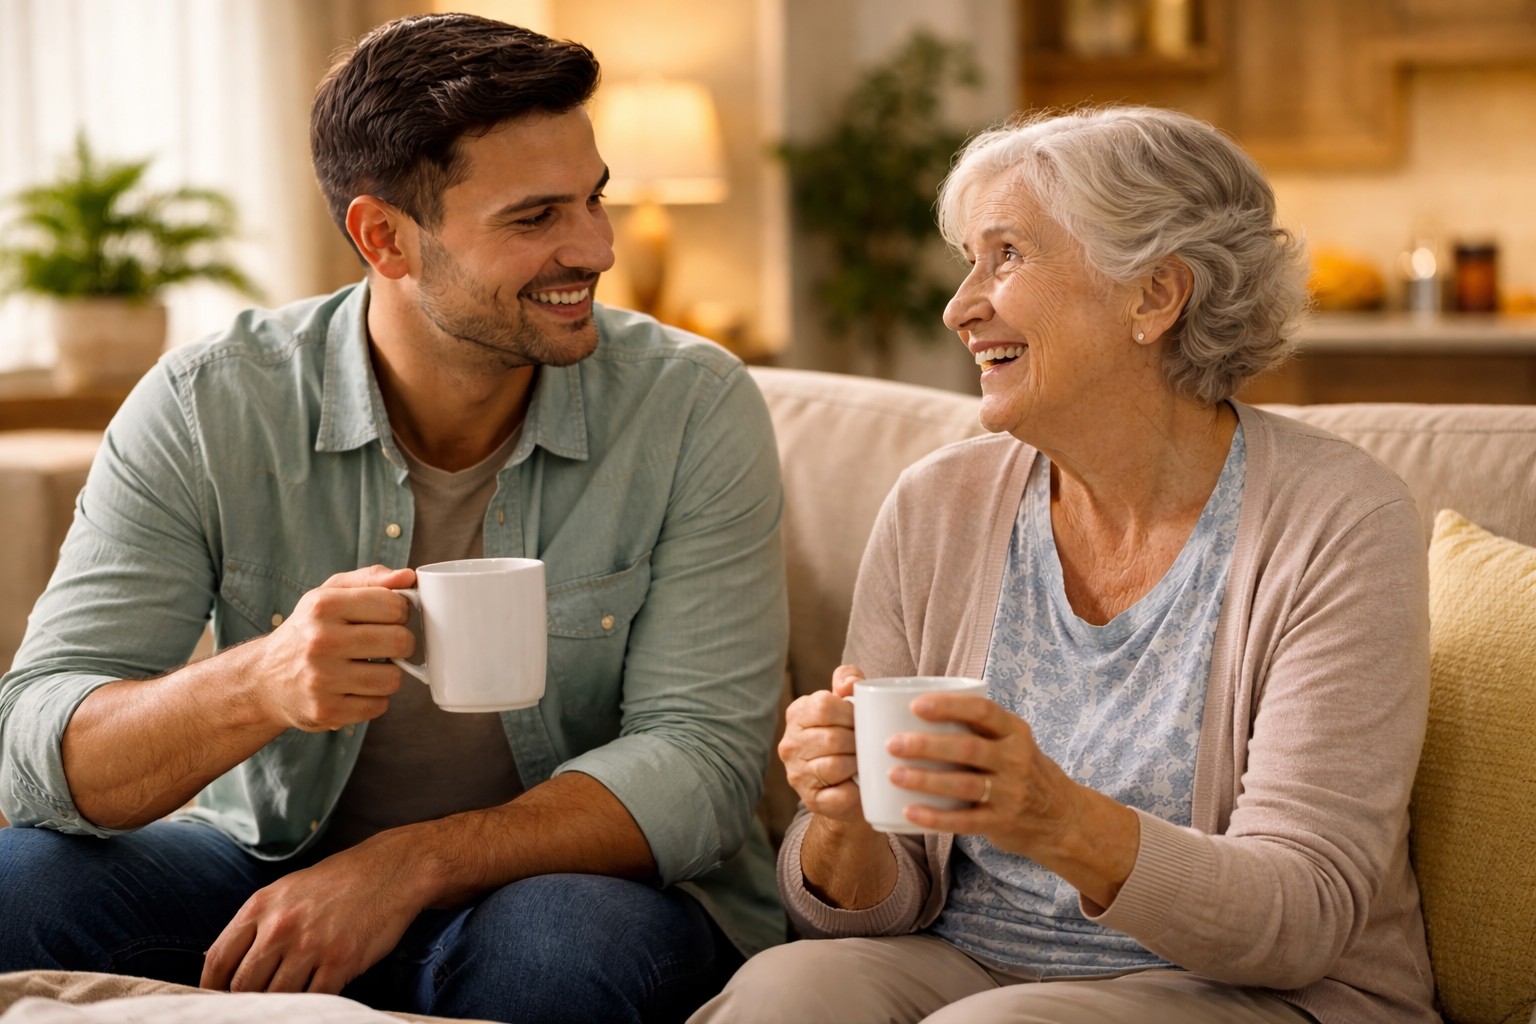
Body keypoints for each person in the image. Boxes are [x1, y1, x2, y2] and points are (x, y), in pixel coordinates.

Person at [0, 14, 788, 1024]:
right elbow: (37, 751)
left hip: (553, 890)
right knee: (21, 885)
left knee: (576, 952)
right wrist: (258, 681)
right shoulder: (209, 402)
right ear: (384, 237)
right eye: (534, 216)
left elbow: (703, 762)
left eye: (595, 199)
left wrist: (407, 864)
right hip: (265, 865)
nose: (593, 247)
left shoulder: (692, 405)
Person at [693, 106, 1437, 1024]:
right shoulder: (938, 505)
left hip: (1256, 992)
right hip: (969, 964)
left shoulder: (1336, 520)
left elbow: (1303, 918)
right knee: (786, 992)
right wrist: (841, 816)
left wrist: (1056, 817)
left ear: (1155, 295)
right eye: (971, 260)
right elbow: (867, 908)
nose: (960, 306)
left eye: (1007, 256)